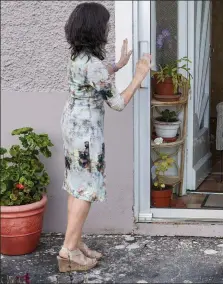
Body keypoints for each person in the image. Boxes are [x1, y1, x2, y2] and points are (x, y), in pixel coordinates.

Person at [59, 2, 151, 272]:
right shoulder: (93, 65)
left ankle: (74, 243)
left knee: (75, 185)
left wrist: (117, 66)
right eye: (105, 25)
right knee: (86, 189)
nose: (108, 29)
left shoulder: (79, 58)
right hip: (86, 133)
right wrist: (137, 75)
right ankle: (68, 251)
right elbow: (118, 103)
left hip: (72, 126)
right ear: (95, 29)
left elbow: (93, 78)